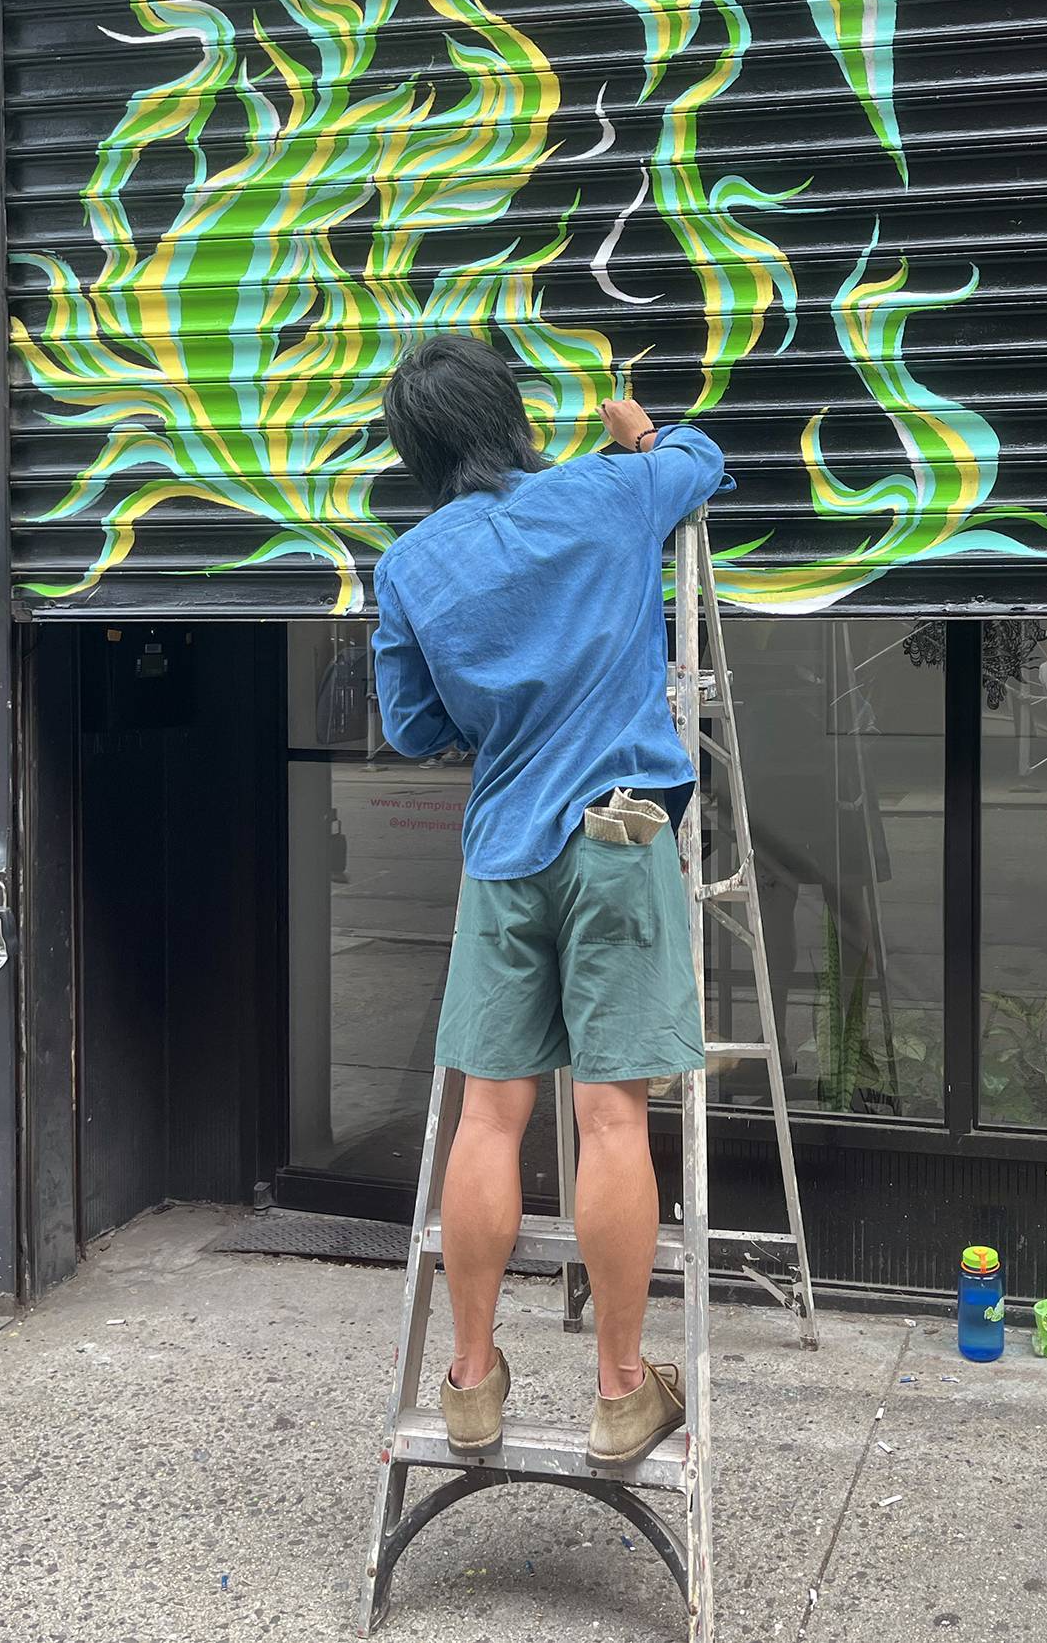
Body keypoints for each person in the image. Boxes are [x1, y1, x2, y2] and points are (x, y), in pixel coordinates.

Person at [370, 334, 733, 1466]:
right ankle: (623, 1390)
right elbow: (702, 458)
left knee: (490, 1114)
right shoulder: (605, 495)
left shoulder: (411, 567)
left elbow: (414, 726)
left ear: (414, 449)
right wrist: (641, 432)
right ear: (511, 414)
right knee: (613, 1117)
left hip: (504, 852)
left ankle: (471, 1381)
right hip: (619, 838)